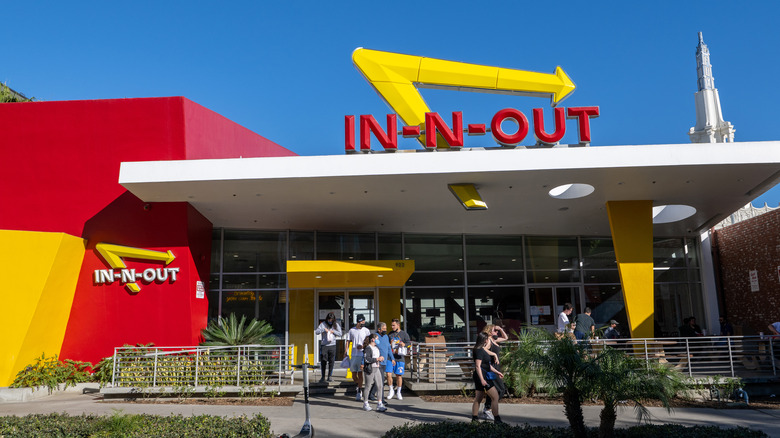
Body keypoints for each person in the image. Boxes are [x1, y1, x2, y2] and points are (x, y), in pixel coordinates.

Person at [471, 332, 504, 424]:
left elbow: (487, 366)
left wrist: (497, 372)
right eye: (488, 339)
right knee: (495, 396)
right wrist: (482, 380)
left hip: (483, 375)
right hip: (482, 377)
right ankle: (497, 418)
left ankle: (474, 418)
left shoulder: (482, 349)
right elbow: (478, 366)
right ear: (485, 340)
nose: (489, 340)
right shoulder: (479, 351)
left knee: (478, 398)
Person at [480, 324, 508, 421]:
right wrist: (494, 354)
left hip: (496, 367)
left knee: (495, 389)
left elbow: (506, 337)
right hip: (491, 367)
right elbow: (483, 349)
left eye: (497, 331)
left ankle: (487, 409)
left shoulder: (494, 339)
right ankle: (488, 409)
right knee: (500, 389)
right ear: (489, 331)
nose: (496, 332)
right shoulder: (488, 340)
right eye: (495, 330)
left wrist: (500, 328)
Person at [346, 314, 371, 401]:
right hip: (353, 354)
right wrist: (346, 351)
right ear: (358, 322)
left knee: (360, 373)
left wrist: (363, 346)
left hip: (362, 355)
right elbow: (348, 341)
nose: (363, 324)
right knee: (353, 374)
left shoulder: (366, 331)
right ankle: (358, 385)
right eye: (361, 322)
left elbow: (368, 342)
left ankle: (359, 391)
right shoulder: (352, 330)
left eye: (364, 322)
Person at [361, 333, 387, 412]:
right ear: (373, 339)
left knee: (380, 385)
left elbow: (377, 356)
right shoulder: (368, 348)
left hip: (377, 368)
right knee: (368, 386)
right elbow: (367, 359)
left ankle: (379, 403)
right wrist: (377, 359)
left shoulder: (376, 348)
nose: (378, 340)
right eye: (377, 338)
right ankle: (365, 403)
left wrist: (381, 358)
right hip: (370, 369)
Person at [370, 322, 394, 403]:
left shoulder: (386, 337)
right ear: (379, 329)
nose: (385, 330)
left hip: (385, 361)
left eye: (386, 329)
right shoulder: (375, 337)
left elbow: (388, 348)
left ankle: (371, 394)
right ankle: (382, 399)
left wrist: (392, 358)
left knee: (379, 380)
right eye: (383, 329)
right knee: (381, 380)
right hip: (378, 362)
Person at [314, 312, 342, 382]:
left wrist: (333, 331)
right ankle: (323, 376)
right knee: (323, 361)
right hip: (324, 345)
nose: (330, 321)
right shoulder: (323, 324)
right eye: (329, 320)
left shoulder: (336, 325)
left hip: (332, 345)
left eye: (331, 320)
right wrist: (323, 330)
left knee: (331, 361)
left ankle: (330, 376)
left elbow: (340, 333)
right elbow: (316, 332)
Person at [387, 318, 410, 400]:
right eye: (391, 325)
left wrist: (404, 344)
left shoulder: (404, 334)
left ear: (398, 325)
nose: (392, 327)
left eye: (394, 325)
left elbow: (409, 343)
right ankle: (391, 390)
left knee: (398, 375)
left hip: (399, 357)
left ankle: (399, 392)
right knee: (388, 374)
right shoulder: (390, 334)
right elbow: (387, 344)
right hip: (390, 357)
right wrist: (389, 344)